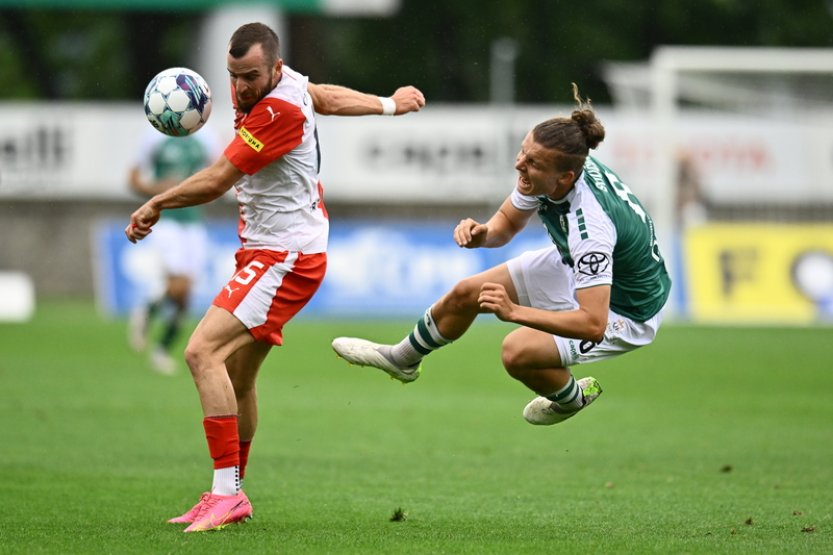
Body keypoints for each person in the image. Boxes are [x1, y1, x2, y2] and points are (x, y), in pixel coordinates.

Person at [125, 22, 425, 533]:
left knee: (202, 353)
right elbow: (324, 96)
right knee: (238, 377)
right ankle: (230, 491)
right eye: (233, 76)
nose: (240, 88)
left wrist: (157, 201)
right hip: (268, 251)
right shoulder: (281, 86)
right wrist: (389, 104)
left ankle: (225, 495)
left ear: (275, 68)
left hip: (285, 257)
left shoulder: (277, 110)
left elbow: (219, 179)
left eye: (250, 76)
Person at [332, 84, 671, 429]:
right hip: (583, 269)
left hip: (626, 309)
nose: (518, 164)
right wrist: (484, 234)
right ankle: (401, 359)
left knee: (517, 352)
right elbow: (508, 223)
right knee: (467, 293)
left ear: (563, 178)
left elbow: (592, 324)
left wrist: (515, 312)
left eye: (531, 162)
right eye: (522, 152)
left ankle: (572, 399)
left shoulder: (591, 228)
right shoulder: (556, 168)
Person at [127, 130, 220, 374]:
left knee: (185, 296)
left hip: (194, 224)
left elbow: (220, 175)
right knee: (179, 286)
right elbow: (133, 179)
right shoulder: (154, 138)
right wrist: (160, 189)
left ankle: (159, 344)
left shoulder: (207, 139)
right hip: (167, 222)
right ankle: (148, 315)